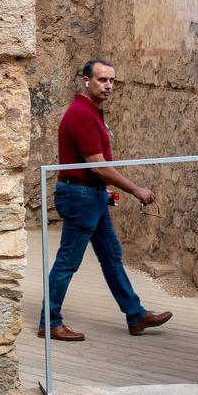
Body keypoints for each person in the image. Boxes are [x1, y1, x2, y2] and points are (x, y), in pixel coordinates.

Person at [38, 58, 173, 341]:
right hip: (80, 197)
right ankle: (49, 322)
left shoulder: (92, 111)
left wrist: (105, 192)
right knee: (67, 262)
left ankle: (135, 315)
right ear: (86, 80)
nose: (108, 85)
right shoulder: (82, 114)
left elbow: (94, 169)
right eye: (102, 80)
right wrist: (135, 189)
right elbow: (97, 166)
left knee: (111, 257)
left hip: (91, 195)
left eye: (112, 80)